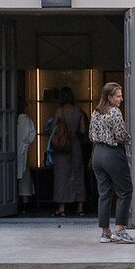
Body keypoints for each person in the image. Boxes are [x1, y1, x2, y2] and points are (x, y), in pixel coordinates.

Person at [88, 82, 135, 244]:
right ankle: (120, 230)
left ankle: (105, 232)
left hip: (97, 154)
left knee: (104, 193)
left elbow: (90, 134)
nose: (121, 99)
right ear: (109, 97)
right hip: (112, 153)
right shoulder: (114, 112)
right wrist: (131, 140)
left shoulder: (95, 112)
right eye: (118, 96)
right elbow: (121, 134)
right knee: (125, 191)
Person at [47, 88, 86, 218]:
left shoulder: (60, 111)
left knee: (61, 176)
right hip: (75, 146)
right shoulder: (79, 111)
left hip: (62, 147)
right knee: (78, 175)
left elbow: (53, 129)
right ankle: (80, 206)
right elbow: (83, 130)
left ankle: (62, 207)